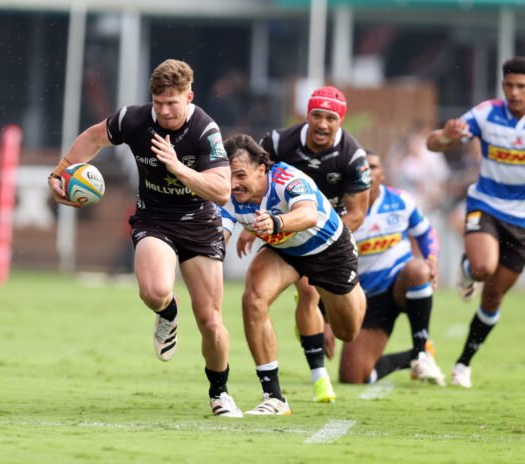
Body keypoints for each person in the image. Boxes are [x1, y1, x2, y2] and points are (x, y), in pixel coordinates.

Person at [47, 59, 242, 417]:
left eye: (172, 103)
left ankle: (220, 392)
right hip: (155, 220)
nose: (164, 111)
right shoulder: (134, 120)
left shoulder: (205, 130)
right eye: (159, 102)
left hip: (199, 224)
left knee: (211, 321)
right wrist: (60, 172)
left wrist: (177, 166)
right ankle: (168, 312)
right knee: (153, 291)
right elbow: (93, 138)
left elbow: (222, 191)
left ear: (189, 97)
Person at [240, 86, 370, 402]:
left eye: (330, 118)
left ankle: (348, 293)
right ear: (307, 115)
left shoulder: (352, 157)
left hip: (326, 240)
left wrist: (322, 246)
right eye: (317, 116)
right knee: (258, 297)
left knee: (348, 331)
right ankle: (289, 389)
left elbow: (357, 214)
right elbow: (253, 180)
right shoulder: (276, 143)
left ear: (340, 121)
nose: (322, 124)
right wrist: (250, 224)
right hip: (284, 233)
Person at [220, 134, 366, 415]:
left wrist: (276, 223)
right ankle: (274, 397)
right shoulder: (226, 195)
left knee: (347, 332)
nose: (233, 184)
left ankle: (354, 293)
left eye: (240, 175)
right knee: (253, 299)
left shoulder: (287, 178)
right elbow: (218, 240)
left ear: (261, 169)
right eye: (228, 176)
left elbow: (308, 215)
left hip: (329, 251)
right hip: (285, 251)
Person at [426, 56, 525, 388]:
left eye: (521, 86)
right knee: (484, 268)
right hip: (486, 205)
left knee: (493, 299)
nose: (514, 92)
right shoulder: (486, 113)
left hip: (522, 220)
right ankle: (469, 268)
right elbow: (433, 143)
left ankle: (463, 363)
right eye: (509, 85)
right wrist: (447, 135)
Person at [338, 151, 445, 386]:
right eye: (361, 167)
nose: (368, 172)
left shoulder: (401, 201)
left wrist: (431, 259)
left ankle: (420, 352)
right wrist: (325, 319)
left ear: (383, 174)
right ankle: (412, 357)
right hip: (368, 298)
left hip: (401, 284)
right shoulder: (341, 209)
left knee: (418, 270)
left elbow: (425, 232)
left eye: (373, 167)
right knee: (352, 377)